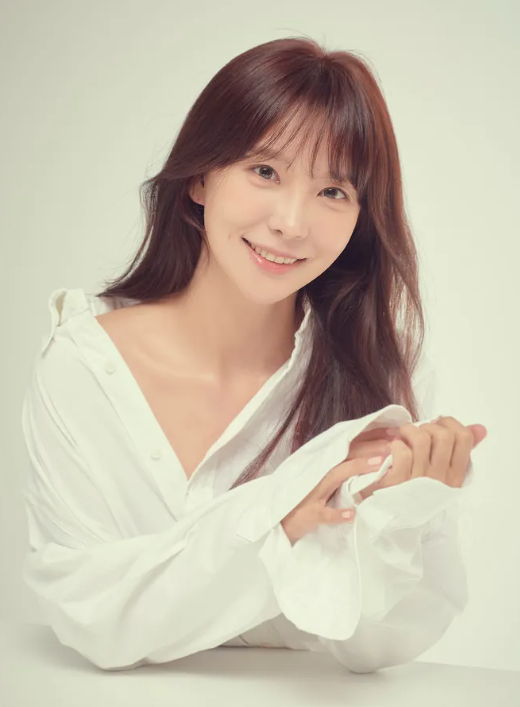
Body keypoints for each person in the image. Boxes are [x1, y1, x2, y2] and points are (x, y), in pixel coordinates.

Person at [21, 36, 487, 672]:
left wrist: (398, 513)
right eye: (265, 171)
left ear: (360, 218)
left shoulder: (380, 376)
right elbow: (90, 614)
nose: (292, 223)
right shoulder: (84, 365)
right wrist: (280, 523)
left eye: (333, 192)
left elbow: (375, 649)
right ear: (200, 177)